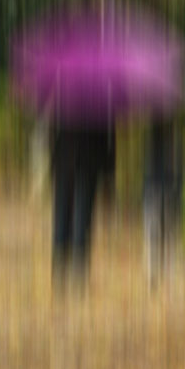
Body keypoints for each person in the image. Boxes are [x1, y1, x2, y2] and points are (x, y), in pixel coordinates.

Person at [50, 119, 115, 280]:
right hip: (88, 162)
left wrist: (53, 162)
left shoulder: (64, 96)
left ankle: (60, 273)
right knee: (82, 218)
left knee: (62, 217)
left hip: (64, 160)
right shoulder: (103, 100)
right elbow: (108, 137)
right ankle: (78, 275)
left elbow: (53, 129)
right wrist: (108, 175)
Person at [142, 117, 185, 282]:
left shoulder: (149, 144)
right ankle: (170, 274)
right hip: (172, 193)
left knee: (152, 235)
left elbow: (144, 172)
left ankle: (152, 273)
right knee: (170, 236)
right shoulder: (178, 145)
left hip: (152, 192)